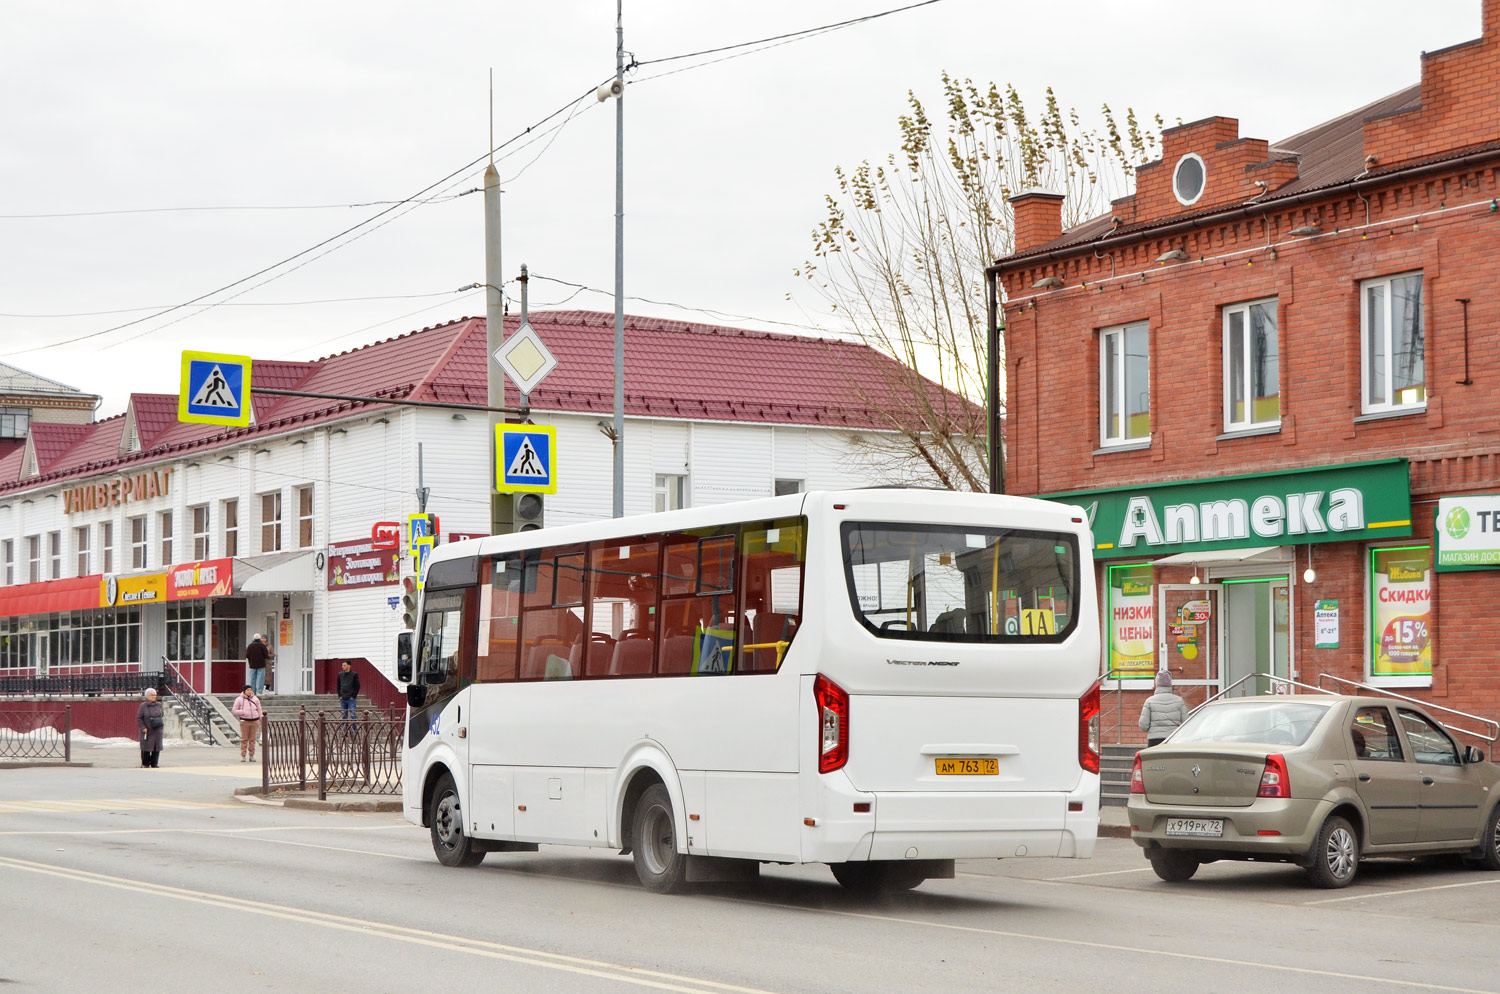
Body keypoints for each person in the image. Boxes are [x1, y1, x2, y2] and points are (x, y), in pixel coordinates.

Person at [1139, 669, 1188, 747]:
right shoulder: (1179, 701)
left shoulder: (1149, 701)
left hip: (1154, 740)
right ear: (1170, 684)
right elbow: (1186, 723)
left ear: (1157, 684)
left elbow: (1143, 725)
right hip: (1173, 738)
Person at [231, 684, 265, 763]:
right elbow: (234, 710)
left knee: (252, 739)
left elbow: (259, 709)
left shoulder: (255, 699)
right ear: (244, 691)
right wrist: (243, 712)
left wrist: (261, 718)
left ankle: (251, 755)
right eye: (248, 690)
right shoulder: (239, 699)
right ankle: (243, 755)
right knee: (244, 739)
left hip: (255, 721)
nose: (249, 691)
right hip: (244, 721)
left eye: (250, 690)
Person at [137, 687, 165, 768]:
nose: (154, 696)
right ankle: (145, 763)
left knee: (157, 747)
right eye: (152, 695)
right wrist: (143, 727)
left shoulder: (159, 705)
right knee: (146, 746)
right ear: (147, 696)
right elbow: (139, 717)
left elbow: (162, 714)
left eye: (155, 695)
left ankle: (154, 763)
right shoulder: (143, 706)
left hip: (157, 729)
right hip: (147, 729)